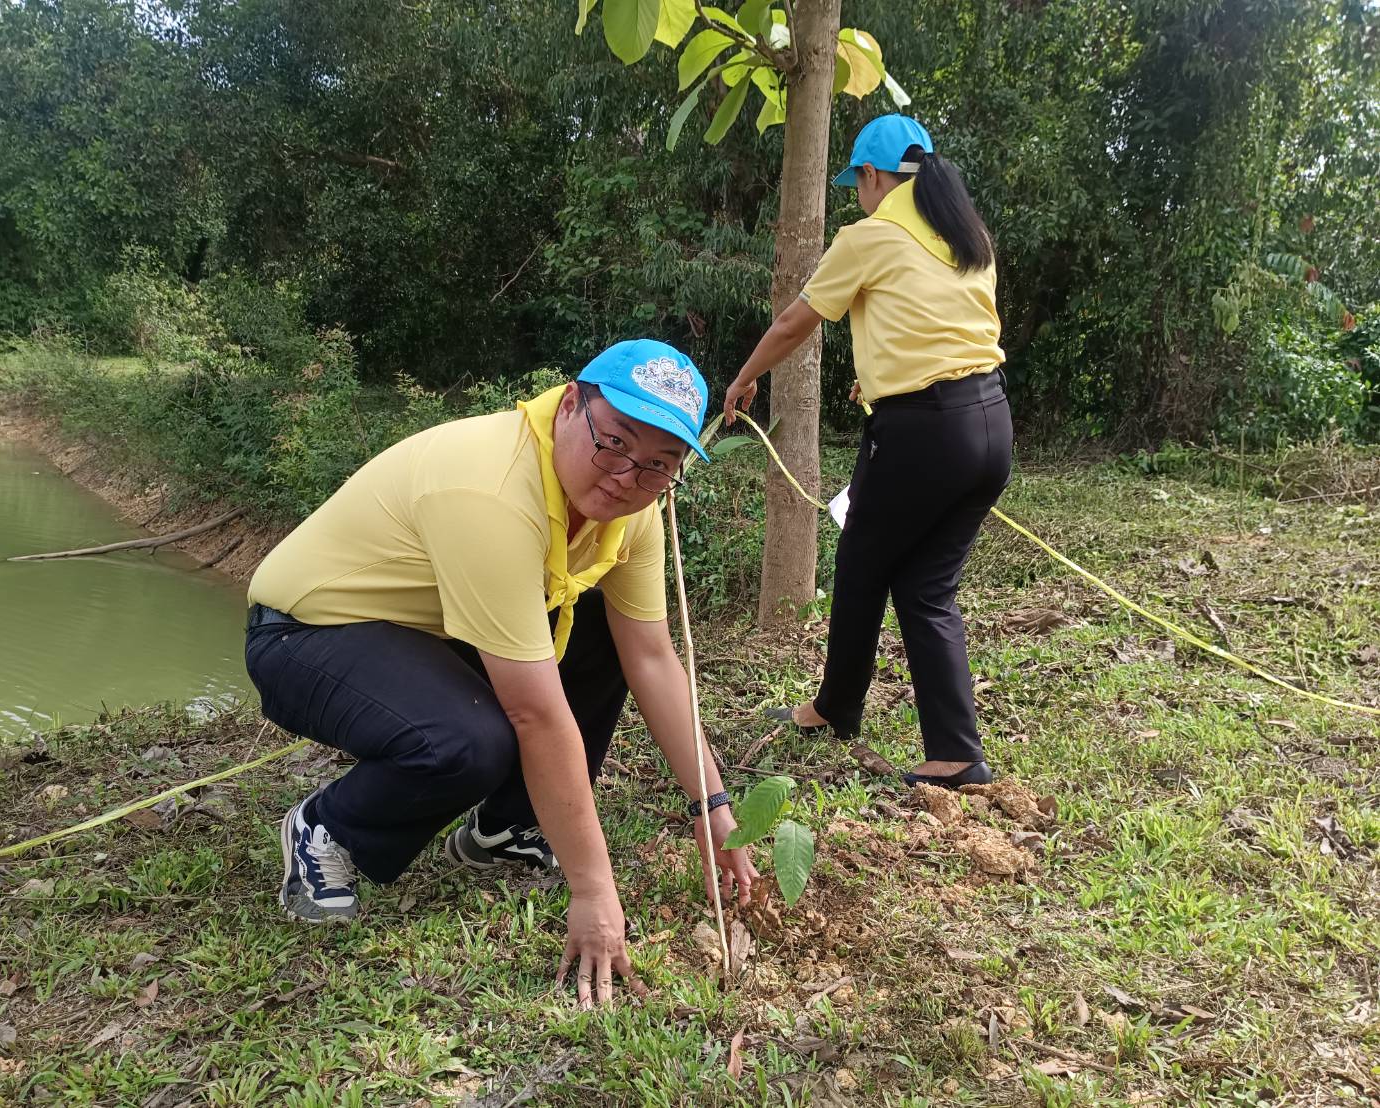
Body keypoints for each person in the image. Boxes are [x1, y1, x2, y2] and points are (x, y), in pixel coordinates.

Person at [245, 339, 757, 1006]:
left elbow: (653, 658)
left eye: (658, 466)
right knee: (467, 741)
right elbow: (533, 713)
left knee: (606, 631)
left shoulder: (634, 510)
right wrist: (593, 891)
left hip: (427, 633)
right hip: (305, 633)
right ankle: (328, 827)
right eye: (613, 444)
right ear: (570, 405)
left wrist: (713, 808)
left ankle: (502, 829)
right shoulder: (489, 487)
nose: (626, 478)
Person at [722, 114, 1013, 789]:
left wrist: (745, 377)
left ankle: (835, 708)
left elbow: (796, 319)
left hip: (923, 434)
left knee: (859, 565)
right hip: (989, 424)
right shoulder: (968, 237)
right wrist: (879, 373)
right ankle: (955, 752)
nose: (857, 193)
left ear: (875, 176)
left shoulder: (871, 236)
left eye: (857, 181)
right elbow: (936, 323)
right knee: (923, 586)